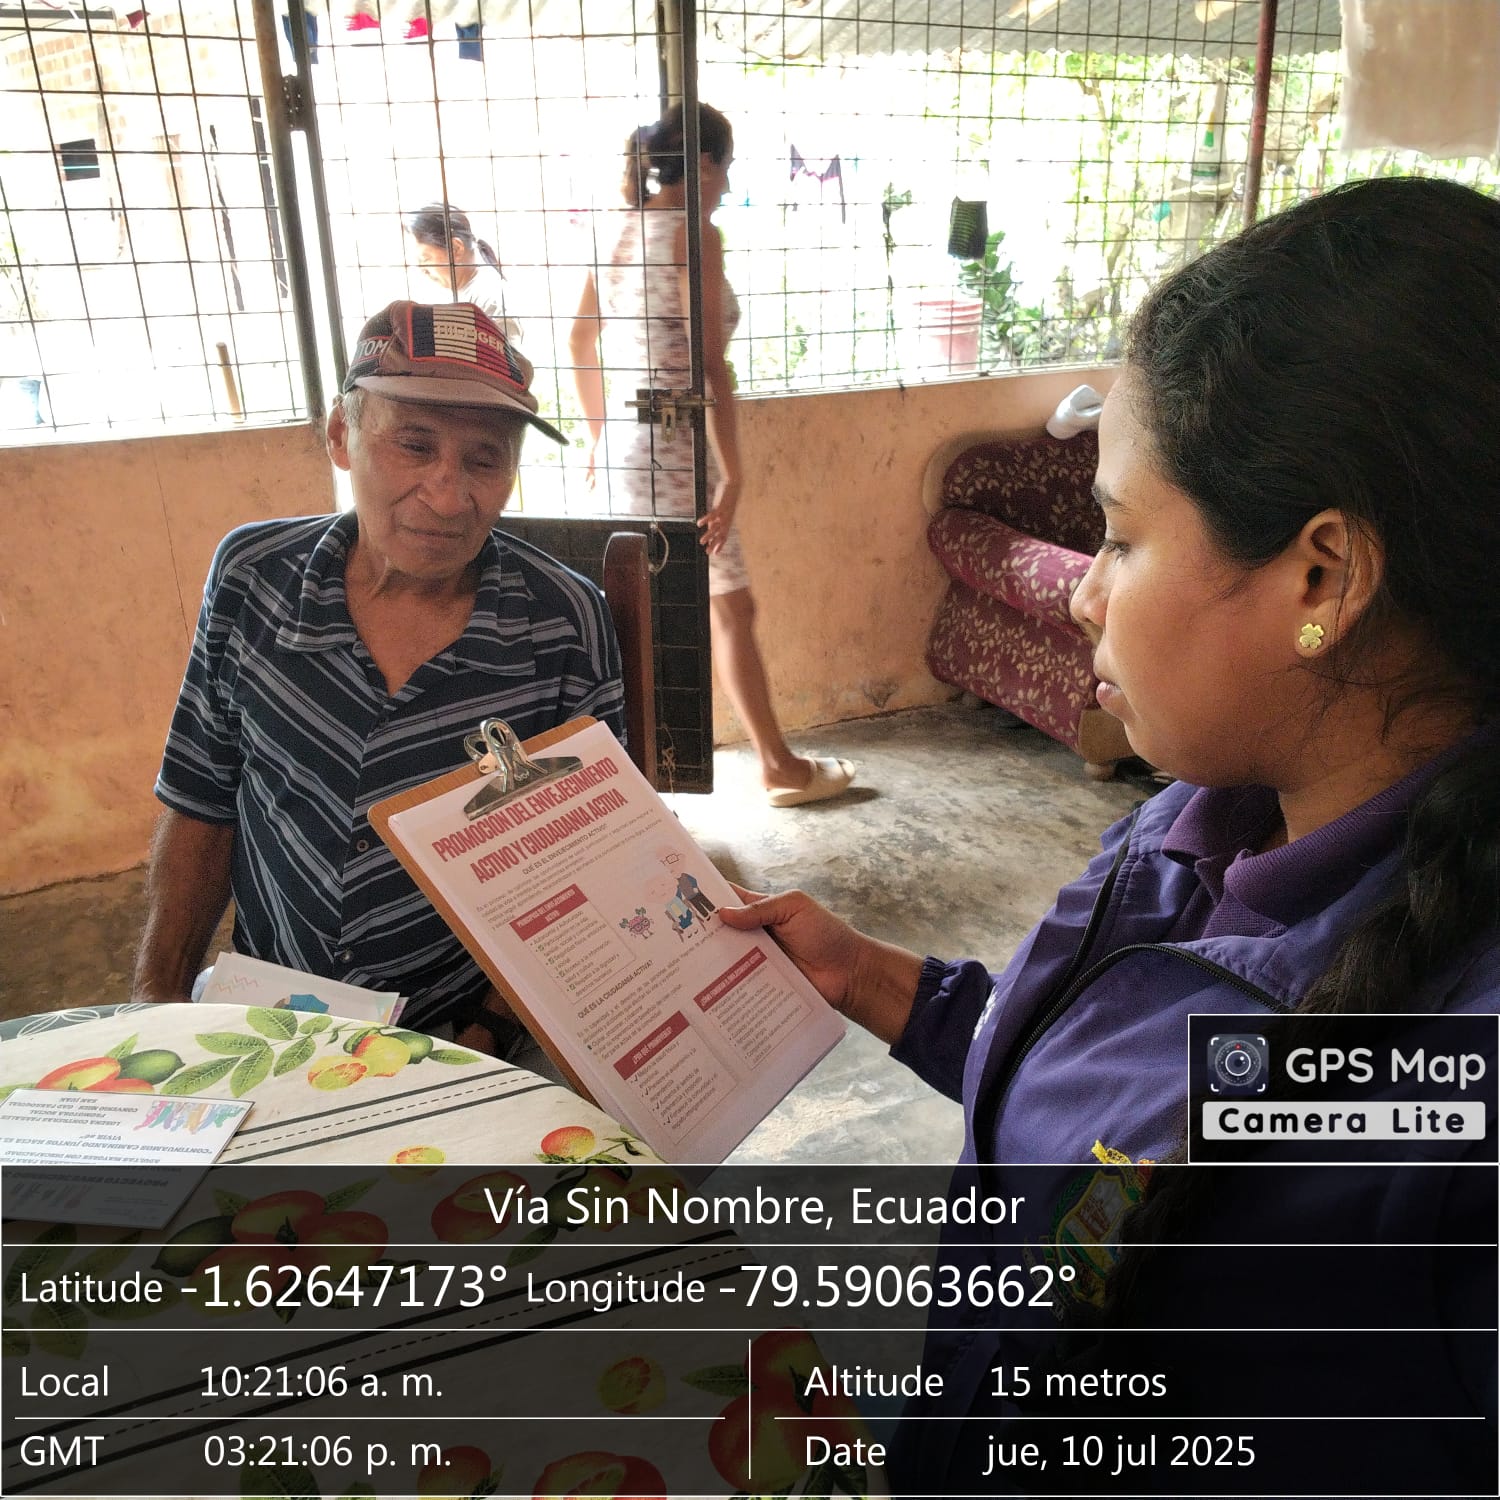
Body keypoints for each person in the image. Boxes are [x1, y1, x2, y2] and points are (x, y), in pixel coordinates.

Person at [719, 177, 1500, 1493]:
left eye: (1122, 538)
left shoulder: (1453, 1114)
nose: (1085, 593)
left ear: (1321, 578)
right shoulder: (1195, 828)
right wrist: (875, 982)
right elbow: (1109, 1119)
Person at [134, 300, 626, 1056]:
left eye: (485, 460)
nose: (448, 495)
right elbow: (202, 796)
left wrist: (483, 1036)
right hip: (265, 1012)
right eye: (415, 445)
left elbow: (586, 858)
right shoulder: (253, 579)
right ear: (341, 434)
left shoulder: (564, 622)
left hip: (462, 1028)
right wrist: (155, 1002)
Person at [569, 104, 856, 807]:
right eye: (726, 166)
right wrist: (732, 474)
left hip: (628, 443)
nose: (727, 183)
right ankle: (776, 767)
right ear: (702, 163)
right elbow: (709, 365)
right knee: (729, 608)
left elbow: (580, 340)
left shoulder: (618, 229)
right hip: (678, 445)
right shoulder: (694, 233)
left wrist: (600, 433)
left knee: (645, 612)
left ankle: (639, 780)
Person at [406, 203, 522, 345]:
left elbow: (510, 357)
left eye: (425, 259)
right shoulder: (458, 291)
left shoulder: (491, 301)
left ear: (456, 248)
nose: (422, 270)